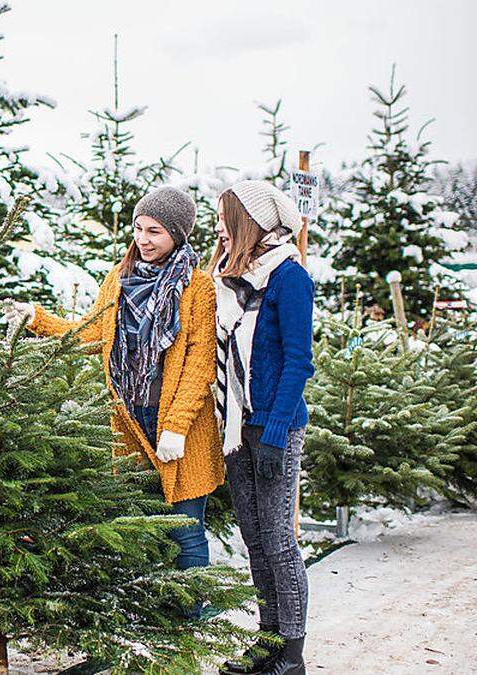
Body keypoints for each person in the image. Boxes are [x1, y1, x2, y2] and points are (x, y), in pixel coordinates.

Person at [7, 186, 224, 575]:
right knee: (138, 524)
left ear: (176, 234)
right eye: (139, 228)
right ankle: (154, 609)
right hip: (131, 417)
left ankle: (193, 615)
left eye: (154, 231)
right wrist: (36, 320)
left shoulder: (197, 285)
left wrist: (175, 428)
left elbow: (199, 363)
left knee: (186, 530)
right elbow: (93, 334)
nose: (142, 239)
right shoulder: (119, 278)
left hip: (180, 424)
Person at [211, 181, 314, 675]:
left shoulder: (289, 277)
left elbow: (298, 362)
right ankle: (268, 638)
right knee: (254, 538)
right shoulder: (234, 282)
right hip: (237, 428)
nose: (219, 230)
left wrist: (274, 432)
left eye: (226, 221)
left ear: (248, 223)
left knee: (278, 540)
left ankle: (291, 652)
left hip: (275, 428)